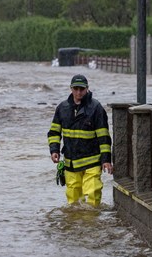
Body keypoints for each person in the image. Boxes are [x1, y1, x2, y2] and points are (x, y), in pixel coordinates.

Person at [48, 74, 113, 207]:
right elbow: (54, 132)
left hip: (92, 161)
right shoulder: (62, 108)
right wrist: (54, 150)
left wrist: (106, 159)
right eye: (76, 89)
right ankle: (76, 224)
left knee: (92, 195)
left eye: (81, 89)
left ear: (87, 89)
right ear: (71, 89)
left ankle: (91, 224)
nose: (79, 92)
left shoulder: (96, 108)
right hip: (71, 162)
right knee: (74, 201)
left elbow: (104, 136)